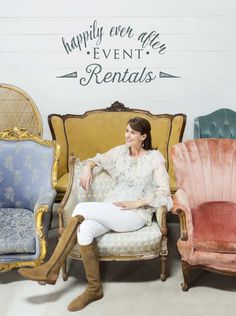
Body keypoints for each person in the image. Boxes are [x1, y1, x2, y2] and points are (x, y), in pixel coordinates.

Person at [18, 117, 172, 312]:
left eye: (133, 132)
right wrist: (88, 169)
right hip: (111, 209)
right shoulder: (119, 153)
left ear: (144, 136)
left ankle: (50, 268)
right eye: (126, 131)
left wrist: (138, 202)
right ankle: (94, 289)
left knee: (81, 209)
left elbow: (164, 193)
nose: (127, 135)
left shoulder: (154, 158)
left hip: (133, 214)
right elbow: (96, 159)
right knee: (86, 230)